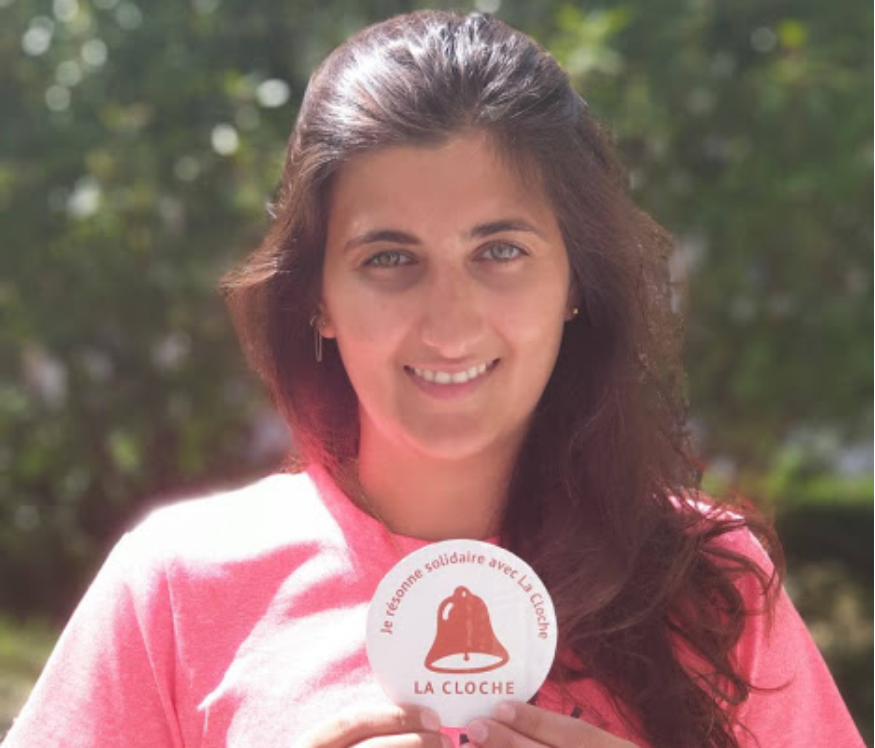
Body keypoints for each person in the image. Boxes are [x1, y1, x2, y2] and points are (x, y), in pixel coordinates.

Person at [3, 10, 864, 748]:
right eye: (388, 258)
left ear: (576, 281)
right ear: (316, 297)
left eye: (500, 251)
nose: (448, 323)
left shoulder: (709, 583)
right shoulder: (177, 586)